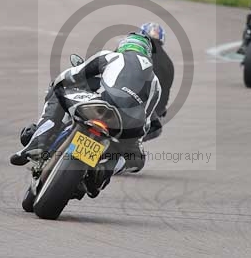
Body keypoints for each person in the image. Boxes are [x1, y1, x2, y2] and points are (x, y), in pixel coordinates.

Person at [10, 33, 161, 181]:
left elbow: (74, 74)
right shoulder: (155, 83)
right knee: (137, 159)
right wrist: (133, 142)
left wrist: (56, 83)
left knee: (58, 91)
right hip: (127, 124)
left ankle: (39, 142)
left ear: (123, 46)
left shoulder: (110, 56)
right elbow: (146, 119)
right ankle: (104, 170)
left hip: (102, 106)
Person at [140, 22, 173, 141]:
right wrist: (159, 111)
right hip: (151, 118)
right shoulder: (169, 63)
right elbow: (165, 94)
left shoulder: (134, 50)